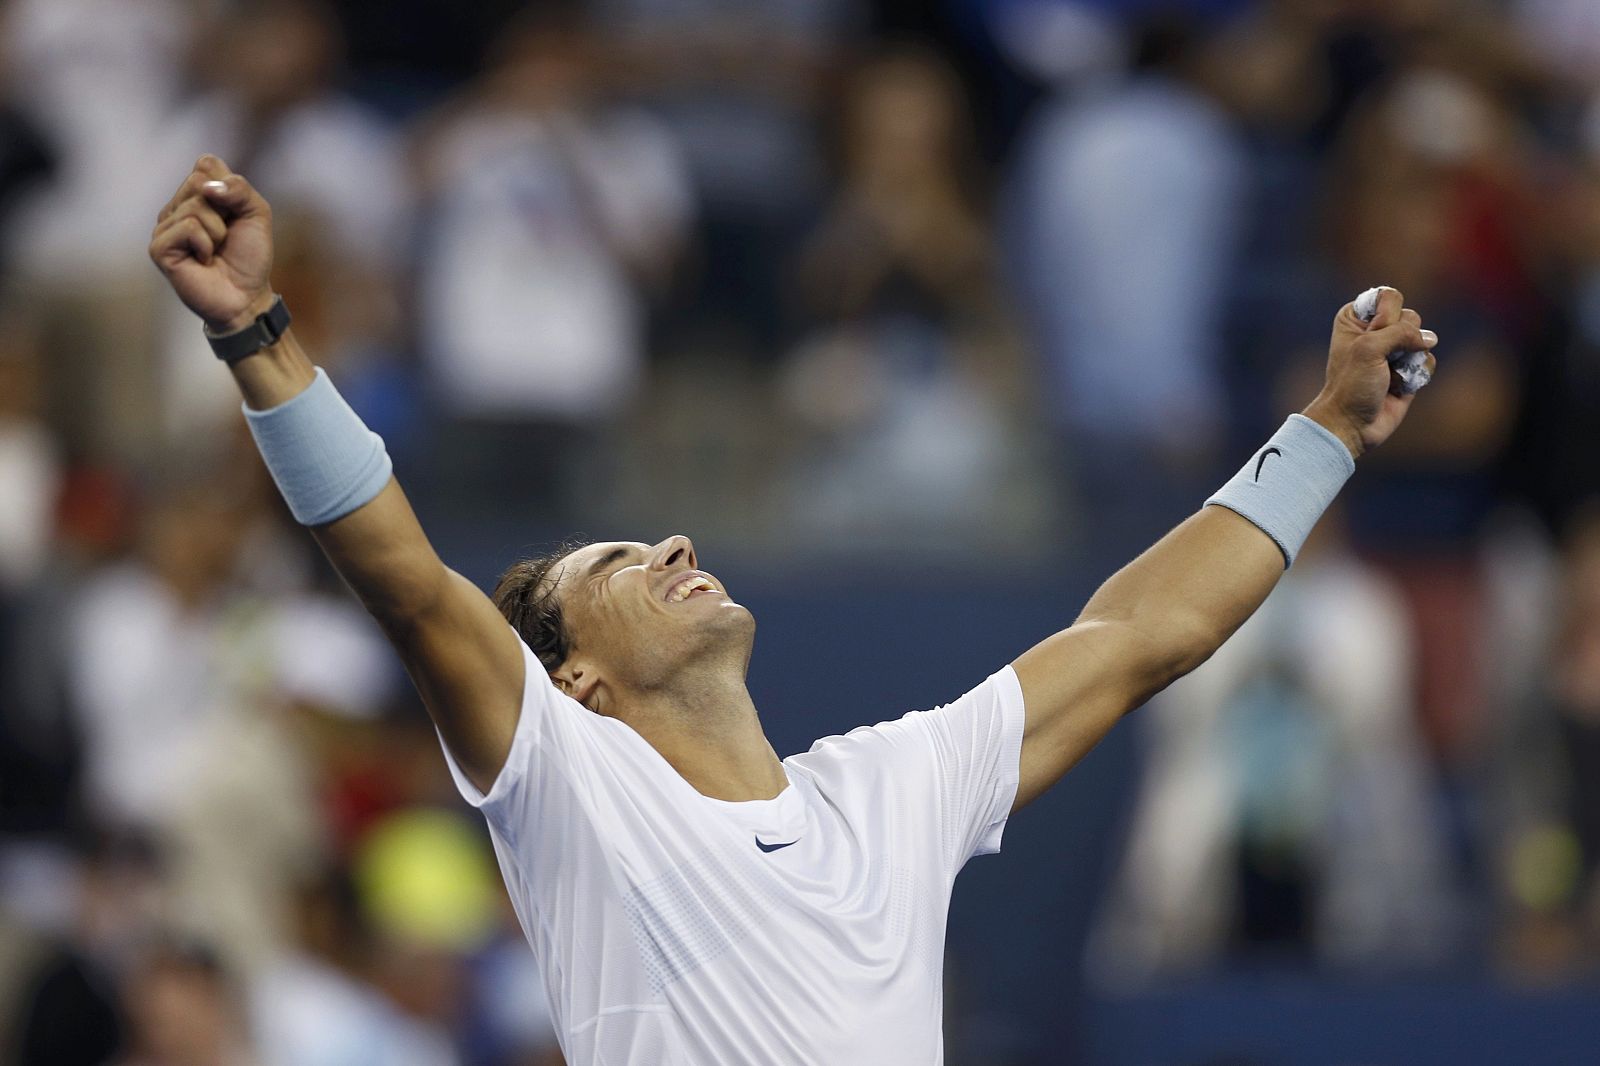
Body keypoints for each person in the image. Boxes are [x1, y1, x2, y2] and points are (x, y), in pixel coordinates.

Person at [148, 154, 1438, 1064]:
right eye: (619, 563)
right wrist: (257, 328)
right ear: (578, 683)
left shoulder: (893, 789)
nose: (675, 543)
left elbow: (1139, 636)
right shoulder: (569, 788)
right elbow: (406, 580)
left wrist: (1327, 429)